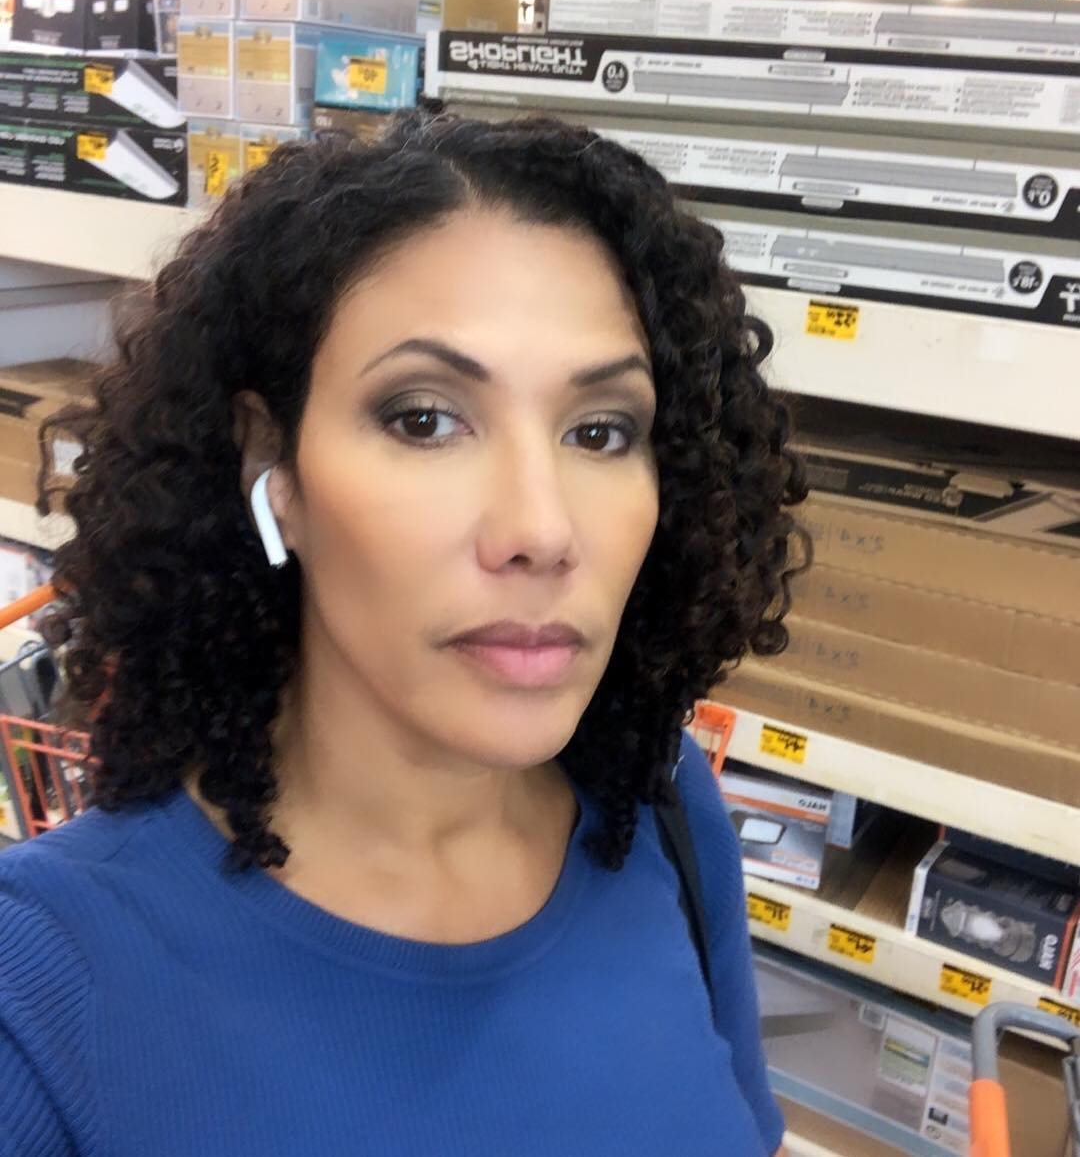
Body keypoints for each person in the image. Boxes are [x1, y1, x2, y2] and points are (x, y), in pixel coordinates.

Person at [0, 112, 804, 1156]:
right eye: (424, 419)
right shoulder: (41, 993)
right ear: (271, 465)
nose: (542, 530)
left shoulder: (661, 806)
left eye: (601, 431)